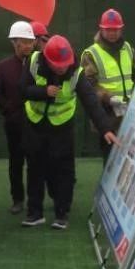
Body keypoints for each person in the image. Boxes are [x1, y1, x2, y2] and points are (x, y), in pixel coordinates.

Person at [22, 36, 117, 230]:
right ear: (47, 59)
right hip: (35, 124)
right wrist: (44, 92)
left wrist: (105, 128)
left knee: (63, 171)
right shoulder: (33, 61)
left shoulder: (76, 73)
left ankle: (61, 214)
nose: (61, 68)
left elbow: (91, 101)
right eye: (57, 65)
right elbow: (22, 90)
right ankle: (35, 213)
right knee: (35, 169)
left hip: (62, 127)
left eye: (64, 64)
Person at [80, 8, 135, 164]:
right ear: (101, 29)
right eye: (108, 30)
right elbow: (88, 86)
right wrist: (108, 98)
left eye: (116, 29)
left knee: (132, 157)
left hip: (130, 112)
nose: (112, 33)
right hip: (107, 115)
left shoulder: (127, 48)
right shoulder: (91, 54)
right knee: (111, 159)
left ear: (121, 29)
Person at [0, 21, 36, 215]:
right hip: (14, 124)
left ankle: (35, 200)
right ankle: (17, 199)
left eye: (30, 42)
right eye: (23, 42)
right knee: (16, 162)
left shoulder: (39, 64)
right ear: (14, 42)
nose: (27, 45)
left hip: (37, 123)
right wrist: (9, 109)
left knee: (36, 162)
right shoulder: (4, 67)